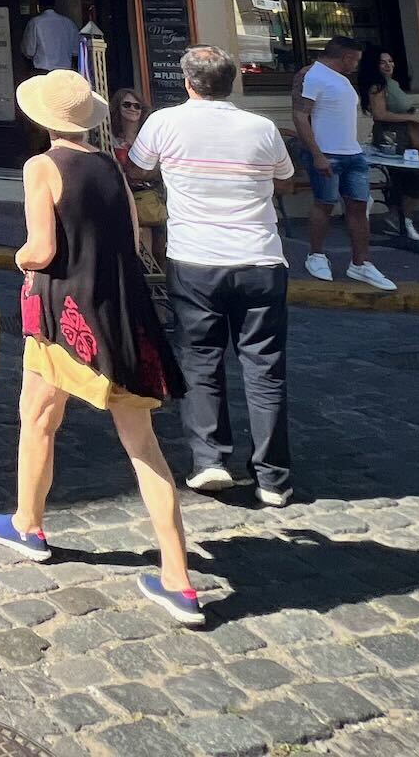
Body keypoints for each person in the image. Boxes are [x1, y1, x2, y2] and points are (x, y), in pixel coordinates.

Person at [0, 71, 203, 627]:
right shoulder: (110, 168)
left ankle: (28, 526)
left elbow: (42, 248)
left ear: (42, 119)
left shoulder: (41, 167)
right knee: (144, 447)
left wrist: (18, 259)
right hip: (121, 314)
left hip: (64, 313)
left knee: (37, 418)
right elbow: (129, 235)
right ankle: (178, 578)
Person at [130, 47, 296, 506]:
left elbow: (139, 167)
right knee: (265, 369)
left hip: (196, 259)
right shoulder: (261, 128)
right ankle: (274, 478)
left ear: (187, 83)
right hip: (260, 259)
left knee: (201, 360)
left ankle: (210, 460)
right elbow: (285, 177)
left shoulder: (165, 123)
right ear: (234, 82)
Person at [292, 35, 393, 291]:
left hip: (352, 152)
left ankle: (361, 262)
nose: (356, 65)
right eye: (355, 60)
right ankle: (316, 254)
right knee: (324, 204)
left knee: (359, 206)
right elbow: (301, 115)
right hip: (327, 152)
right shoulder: (312, 75)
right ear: (346, 56)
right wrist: (316, 154)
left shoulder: (342, 80)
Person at [106, 86, 166, 266]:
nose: (133, 109)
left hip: (154, 199)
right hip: (126, 199)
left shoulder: (149, 137)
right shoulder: (109, 139)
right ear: (118, 108)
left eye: (137, 106)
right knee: (142, 245)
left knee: (161, 249)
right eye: (127, 105)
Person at [20, 0, 79, 75]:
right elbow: (76, 51)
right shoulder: (69, 23)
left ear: (39, 5)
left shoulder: (35, 22)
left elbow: (29, 51)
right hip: (65, 72)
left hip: (43, 71)